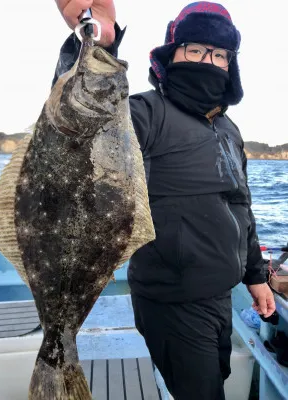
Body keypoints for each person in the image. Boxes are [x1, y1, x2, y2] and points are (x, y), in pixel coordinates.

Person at [54, 1, 276, 399]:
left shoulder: (229, 129)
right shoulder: (143, 113)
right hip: (171, 299)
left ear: (231, 65)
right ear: (171, 54)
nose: (208, 62)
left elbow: (241, 207)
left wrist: (256, 277)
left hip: (219, 293)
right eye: (195, 50)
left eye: (220, 55)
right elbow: (82, 128)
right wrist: (97, 47)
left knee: (215, 380)